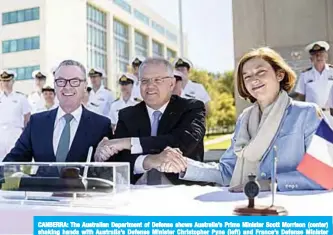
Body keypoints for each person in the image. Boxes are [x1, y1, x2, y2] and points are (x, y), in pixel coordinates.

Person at [175, 47, 325, 192]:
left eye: (261, 72)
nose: (254, 80)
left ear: (280, 75)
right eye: (247, 76)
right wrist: (182, 165)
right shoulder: (244, 119)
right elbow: (227, 171)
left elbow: (326, 172)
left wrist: (271, 184)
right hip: (246, 208)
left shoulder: (307, 113)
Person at [95, 57, 206, 185]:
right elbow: (120, 161)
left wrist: (128, 143)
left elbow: (182, 142)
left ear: (172, 83)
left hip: (183, 191)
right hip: (138, 192)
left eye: (157, 80)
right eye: (144, 81)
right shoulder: (127, 115)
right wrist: (149, 161)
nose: (150, 86)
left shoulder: (192, 108)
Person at [3, 60, 113, 163]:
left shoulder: (101, 125)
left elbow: (110, 170)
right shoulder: (37, 122)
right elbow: (13, 160)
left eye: (75, 81)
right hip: (42, 184)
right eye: (61, 81)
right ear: (55, 86)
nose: (67, 87)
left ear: (85, 86)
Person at [294, 41, 333, 117]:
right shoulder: (305, 75)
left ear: (326, 56)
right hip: (313, 115)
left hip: (330, 113)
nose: (318, 57)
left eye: (321, 54)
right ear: (311, 59)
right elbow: (301, 96)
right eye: (315, 55)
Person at [0, 70, 31, 161]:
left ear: (13, 81)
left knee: (14, 161)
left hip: (15, 132)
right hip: (1, 132)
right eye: (3, 81)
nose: (5, 83)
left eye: (8, 81)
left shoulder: (21, 98)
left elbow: (27, 118)